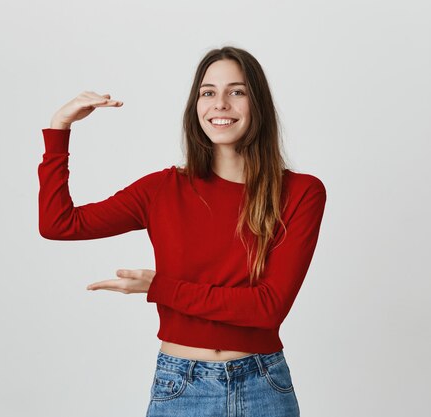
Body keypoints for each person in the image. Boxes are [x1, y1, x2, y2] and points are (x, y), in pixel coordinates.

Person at [37, 46, 326, 417]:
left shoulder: (301, 192)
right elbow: (59, 224)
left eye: (236, 92)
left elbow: (267, 309)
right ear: (196, 107)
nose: (220, 103)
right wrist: (59, 129)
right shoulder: (162, 190)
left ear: (258, 105)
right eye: (208, 92)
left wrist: (161, 287)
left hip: (263, 387)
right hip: (181, 386)